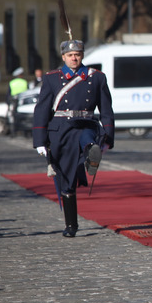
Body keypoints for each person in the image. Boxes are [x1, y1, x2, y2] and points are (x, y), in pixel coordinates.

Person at [32, 40, 114, 237]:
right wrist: (40, 140)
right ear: (63, 57)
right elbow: (42, 109)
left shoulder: (96, 78)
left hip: (86, 123)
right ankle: (71, 225)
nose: (74, 58)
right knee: (66, 179)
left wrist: (109, 137)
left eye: (77, 54)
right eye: (70, 55)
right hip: (61, 130)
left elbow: (106, 109)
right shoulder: (52, 78)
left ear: (82, 55)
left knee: (88, 137)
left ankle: (90, 152)